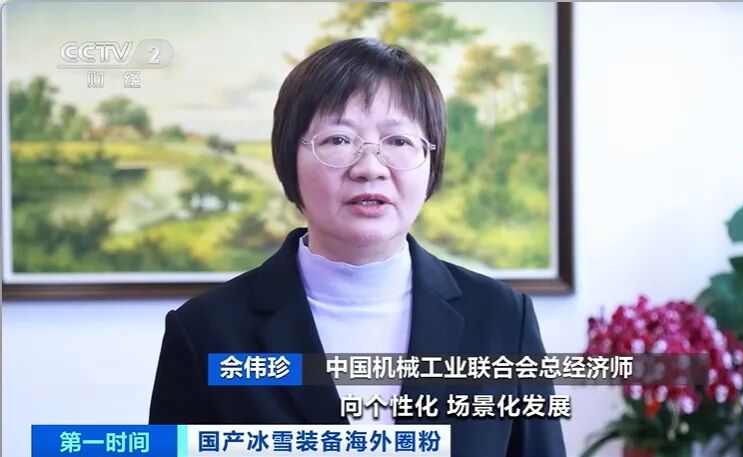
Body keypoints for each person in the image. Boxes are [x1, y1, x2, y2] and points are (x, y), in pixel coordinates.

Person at [149, 37, 566, 457]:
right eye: (338, 140)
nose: (370, 168)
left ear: (431, 162)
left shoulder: (501, 319)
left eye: (399, 141)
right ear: (288, 158)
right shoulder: (206, 333)